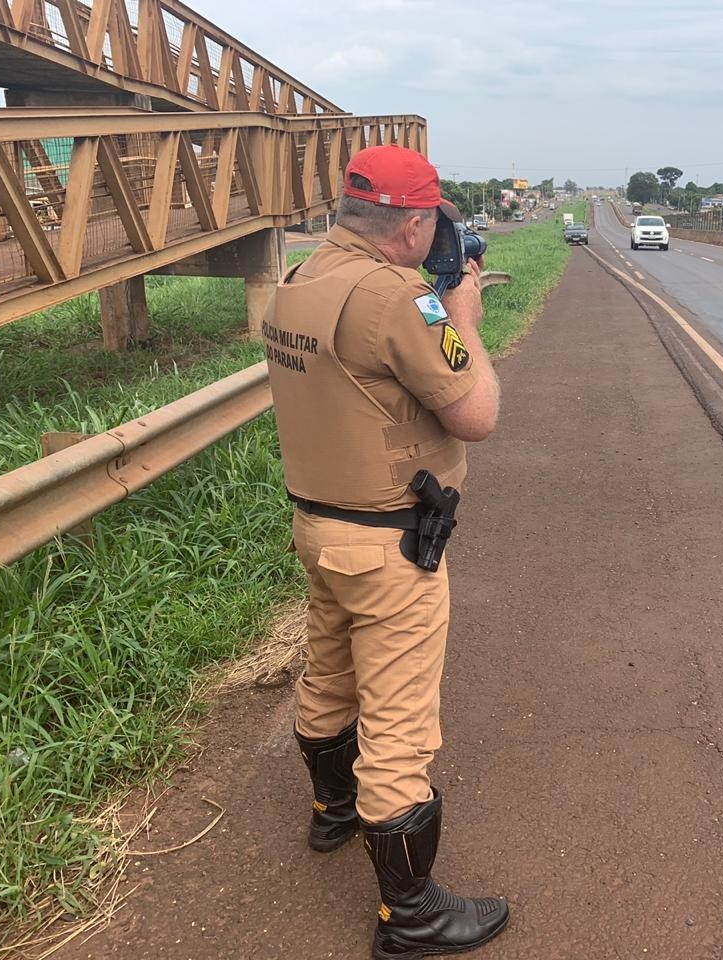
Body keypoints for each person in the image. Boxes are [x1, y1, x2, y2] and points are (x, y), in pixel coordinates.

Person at [263, 144, 506, 959]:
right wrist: (462, 318)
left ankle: (332, 813)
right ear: (409, 223)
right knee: (400, 726)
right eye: (429, 222)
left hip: (318, 528)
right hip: (389, 545)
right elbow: (473, 413)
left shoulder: (299, 283)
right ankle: (412, 917)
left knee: (328, 674)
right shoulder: (401, 297)